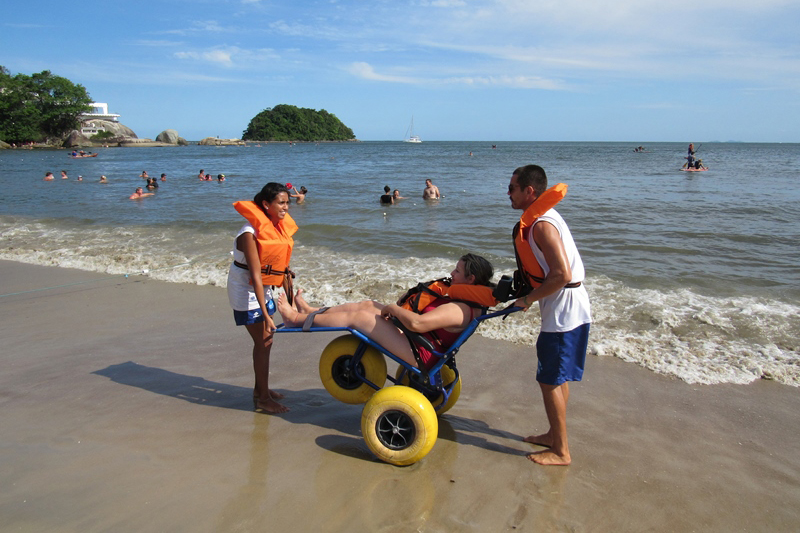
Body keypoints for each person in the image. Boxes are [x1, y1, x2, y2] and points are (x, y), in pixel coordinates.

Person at [507, 164, 591, 467]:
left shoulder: (542, 224)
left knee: (550, 380)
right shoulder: (542, 218)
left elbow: (560, 274)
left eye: (512, 188)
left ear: (530, 191)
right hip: (569, 304)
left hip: (565, 308)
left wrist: (527, 299)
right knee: (557, 377)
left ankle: (561, 452)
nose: (508, 193)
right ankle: (554, 436)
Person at [276, 254, 494, 369]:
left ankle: (295, 319)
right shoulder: (465, 302)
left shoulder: (461, 310)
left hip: (421, 352)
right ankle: (312, 312)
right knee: (367, 305)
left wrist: (394, 309)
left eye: (457, 270)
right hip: (416, 341)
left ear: (471, 279)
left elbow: (419, 324)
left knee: (359, 318)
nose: (451, 273)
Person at [227, 182, 297, 414]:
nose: (286, 207)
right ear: (266, 204)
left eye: (287, 202)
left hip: (262, 288)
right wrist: (266, 315)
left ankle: (261, 391)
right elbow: (255, 276)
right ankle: (263, 399)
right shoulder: (249, 234)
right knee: (264, 341)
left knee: (266, 341)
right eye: (281, 202)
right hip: (246, 289)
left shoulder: (276, 227)